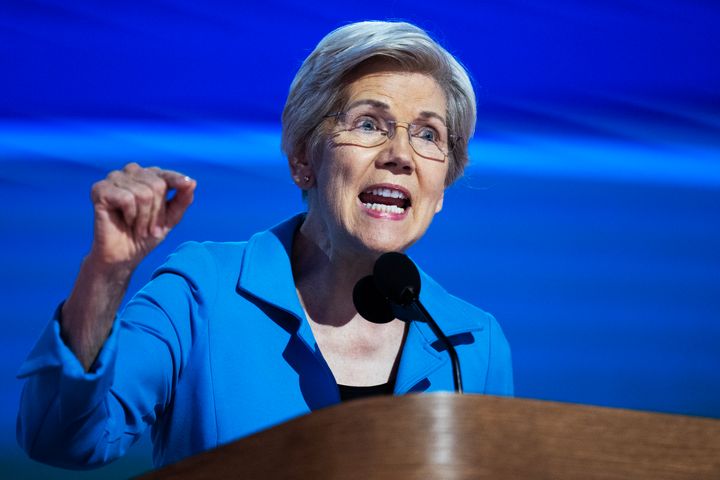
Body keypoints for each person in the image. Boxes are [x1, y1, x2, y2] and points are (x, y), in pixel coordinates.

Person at [17, 20, 513, 469]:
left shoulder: (472, 345)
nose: (401, 154)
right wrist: (107, 274)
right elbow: (63, 439)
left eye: (429, 134)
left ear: (443, 184)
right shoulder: (202, 293)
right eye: (368, 124)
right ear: (303, 157)